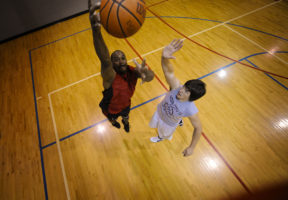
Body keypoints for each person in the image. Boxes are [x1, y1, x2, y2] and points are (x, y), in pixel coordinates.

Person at [89, 0, 154, 132]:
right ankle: (114, 123)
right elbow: (105, 59)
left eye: (123, 58)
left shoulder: (131, 71)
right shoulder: (110, 76)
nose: (122, 61)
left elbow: (150, 77)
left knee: (126, 116)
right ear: (112, 64)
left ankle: (125, 123)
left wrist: (145, 74)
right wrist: (96, 29)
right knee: (112, 118)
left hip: (126, 105)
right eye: (117, 60)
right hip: (110, 108)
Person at [149, 39, 206, 157]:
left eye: (186, 91)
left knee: (163, 133)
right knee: (157, 123)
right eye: (184, 86)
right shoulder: (176, 87)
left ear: (192, 97)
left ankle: (163, 137)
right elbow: (169, 72)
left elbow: (198, 128)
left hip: (169, 123)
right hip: (160, 112)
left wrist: (192, 147)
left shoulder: (191, 110)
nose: (181, 90)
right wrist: (164, 58)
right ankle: (178, 120)